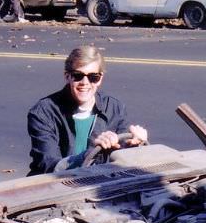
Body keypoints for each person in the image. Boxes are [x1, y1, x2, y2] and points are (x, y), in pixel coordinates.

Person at [28, 46, 148, 175]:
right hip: (55, 187)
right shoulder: (43, 112)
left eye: (93, 77)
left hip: (100, 185)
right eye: (77, 76)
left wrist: (135, 145)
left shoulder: (114, 107)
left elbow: (123, 158)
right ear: (67, 76)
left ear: (100, 78)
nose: (85, 82)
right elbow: (49, 165)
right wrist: (90, 154)